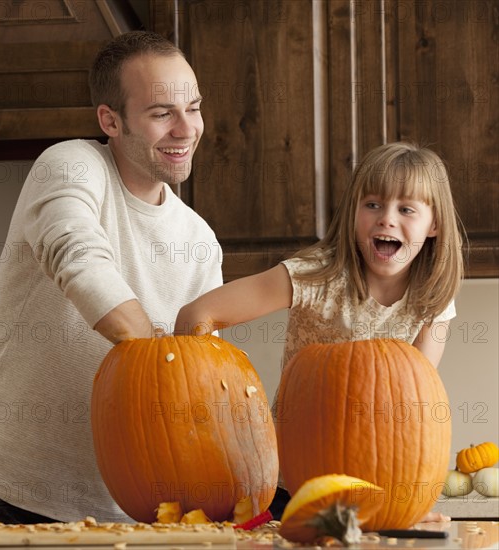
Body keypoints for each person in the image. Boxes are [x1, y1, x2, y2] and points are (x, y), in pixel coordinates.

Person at [0, 31, 223, 524]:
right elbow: (75, 251)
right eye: (162, 112)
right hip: (18, 498)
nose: (186, 129)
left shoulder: (200, 240)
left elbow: (199, 379)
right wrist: (151, 353)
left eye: (194, 107)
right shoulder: (71, 166)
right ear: (111, 120)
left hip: (137, 512)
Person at [175, 141, 464, 520]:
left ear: (435, 225)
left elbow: (415, 413)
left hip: (377, 495)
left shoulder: (432, 299)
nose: (386, 219)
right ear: (354, 212)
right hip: (292, 488)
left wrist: (412, 500)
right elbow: (199, 313)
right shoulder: (317, 276)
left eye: (406, 209)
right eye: (372, 204)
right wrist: (204, 402)